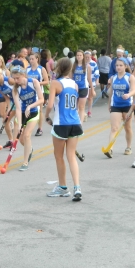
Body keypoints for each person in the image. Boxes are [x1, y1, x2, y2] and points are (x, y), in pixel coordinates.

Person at [45, 57, 83, 200]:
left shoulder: (55, 83)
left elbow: (50, 105)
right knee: (71, 156)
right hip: (75, 122)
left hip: (61, 123)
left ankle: (62, 187)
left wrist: (47, 116)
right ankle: (77, 187)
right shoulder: (75, 84)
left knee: (59, 156)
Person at [11, 65, 43, 171]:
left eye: (17, 78)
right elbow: (18, 109)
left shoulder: (34, 82)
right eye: (14, 78)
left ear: (23, 75)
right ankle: (29, 149)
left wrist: (30, 106)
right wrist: (19, 124)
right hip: (23, 113)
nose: (16, 80)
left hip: (33, 112)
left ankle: (25, 162)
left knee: (27, 135)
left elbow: (41, 100)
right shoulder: (15, 89)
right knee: (21, 139)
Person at [106, 58, 135, 158]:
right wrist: (109, 103)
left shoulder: (130, 77)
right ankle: (110, 149)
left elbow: (133, 90)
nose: (118, 67)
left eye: (120, 65)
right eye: (117, 65)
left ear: (125, 66)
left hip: (127, 105)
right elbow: (111, 92)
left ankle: (128, 147)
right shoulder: (113, 77)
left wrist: (128, 94)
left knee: (127, 128)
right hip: (116, 105)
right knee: (114, 128)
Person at [0, 66, 16, 148]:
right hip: (13, 102)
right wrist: (8, 107)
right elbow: (7, 97)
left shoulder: (9, 80)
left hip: (20, 101)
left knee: (17, 122)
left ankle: (15, 141)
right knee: (5, 120)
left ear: (1, 74)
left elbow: (20, 88)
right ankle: (11, 141)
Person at [27, 53, 49, 136]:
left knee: (39, 110)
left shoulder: (41, 69)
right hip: (29, 91)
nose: (31, 60)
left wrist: (38, 83)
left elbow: (47, 81)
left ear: (37, 59)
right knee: (28, 109)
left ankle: (40, 128)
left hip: (39, 91)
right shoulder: (27, 69)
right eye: (30, 59)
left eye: (33, 59)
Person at [72, 50, 95, 124]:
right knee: (74, 107)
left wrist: (92, 89)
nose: (78, 57)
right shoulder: (73, 66)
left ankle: (80, 123)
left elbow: (89, 78)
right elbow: (70, 77)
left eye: (80, 55)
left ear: (83, 57)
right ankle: (75, 121)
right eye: (77, 55)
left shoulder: (87, 66)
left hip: (83, 88)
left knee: (81, 107)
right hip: (74, 88)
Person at [84, 50, 99, 118]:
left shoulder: (94, 63)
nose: (87, 58)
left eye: (88, 57)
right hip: (84, 83)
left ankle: (89, 111)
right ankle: (82, 111)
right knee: (83, 98)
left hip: (92, 82)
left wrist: (97, 80)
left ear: (90, 57)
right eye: (86, 57)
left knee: (90, 98)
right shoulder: (82, 64)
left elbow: (97, 72)